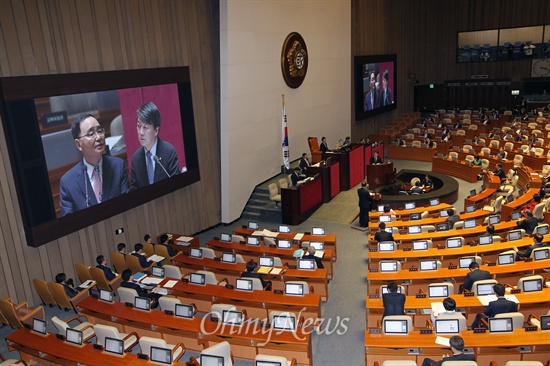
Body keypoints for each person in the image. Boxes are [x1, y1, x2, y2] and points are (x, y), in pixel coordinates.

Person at [59, 113, 130, 216]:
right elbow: (69, 225)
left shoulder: (117, 166)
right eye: (91, 134)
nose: (98, 137)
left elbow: (128, 206)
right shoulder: (68, 183)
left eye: (100, 131)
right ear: (79, 144)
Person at [130, 102, 180, 190]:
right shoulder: (136, 159)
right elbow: (134, 189)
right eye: (139, 126)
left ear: (156, 130)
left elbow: (176, 185)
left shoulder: (169, 153)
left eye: (145, 127)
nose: (141, 132)